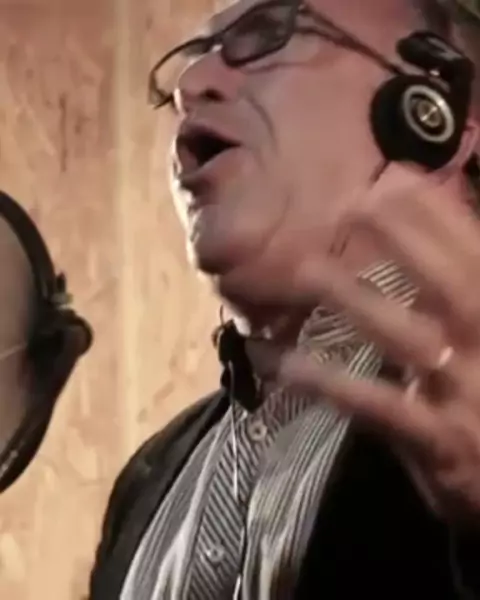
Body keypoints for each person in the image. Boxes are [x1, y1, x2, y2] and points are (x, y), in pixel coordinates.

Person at [89, 0, 480, 598]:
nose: (192, 84)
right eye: (195, 56)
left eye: (268, 33)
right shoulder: (147, 479)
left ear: (431, 117)